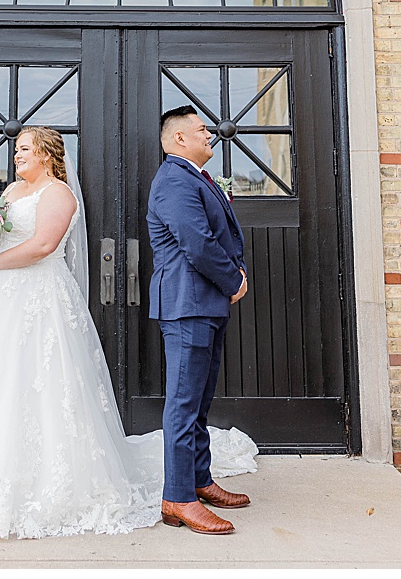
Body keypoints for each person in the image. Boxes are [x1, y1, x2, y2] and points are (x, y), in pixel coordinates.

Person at [0, 126, 257, 539]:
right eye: (17, 149)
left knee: (46, 389)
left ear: (45, 153)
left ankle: (187, 486)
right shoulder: (8, 195)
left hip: (39, 298)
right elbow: (0, 239)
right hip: (2, 302)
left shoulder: (59, 193)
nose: (17, 155)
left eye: (25, 148)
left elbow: (43, 246)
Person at [149, 106, 252, 535]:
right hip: (187, 304)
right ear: (178, 139)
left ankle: (200, 480)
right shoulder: (174, 179)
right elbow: (198, 242)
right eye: (201, 130)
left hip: (204, 304)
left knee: (200, 401)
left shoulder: (196, 176)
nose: (209, 135)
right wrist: (234, 279)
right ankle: (177, 497)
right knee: (183, 403)